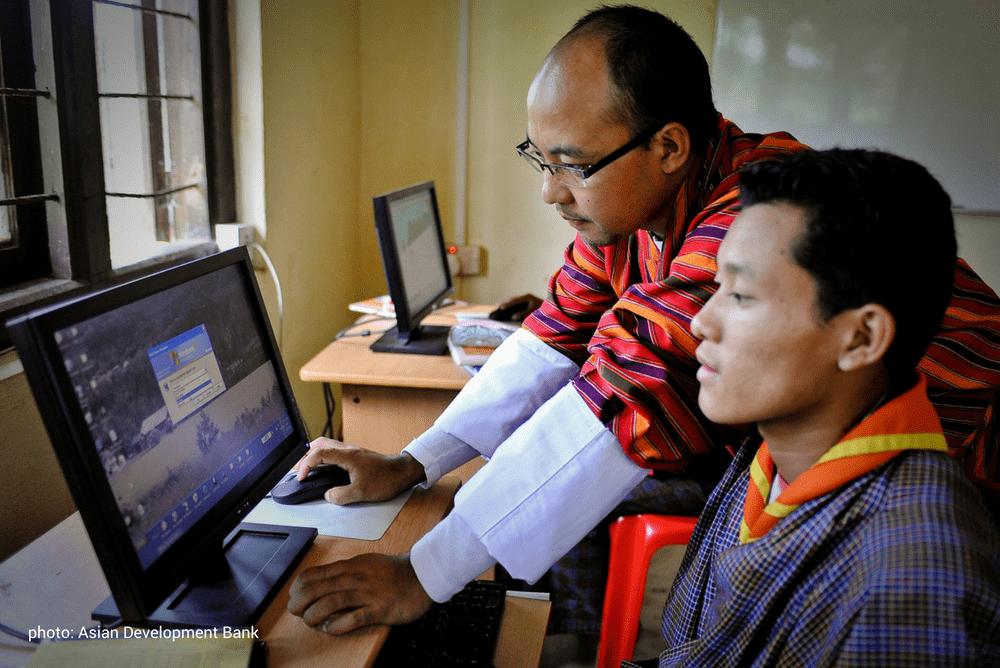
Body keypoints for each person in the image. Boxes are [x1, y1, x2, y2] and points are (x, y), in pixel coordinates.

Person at [287, 5, 1000, 642]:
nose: (548, 190)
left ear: (668, 147)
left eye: (571, 163)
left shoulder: (759, 220)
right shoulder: (633, 212)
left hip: (943, 471)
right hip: (794, 474)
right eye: (540, 157)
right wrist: (415, 461)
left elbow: (634, 390)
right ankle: (564, 638)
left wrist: (421, 575)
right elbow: (554, 335)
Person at [635, 148, 1000, 667]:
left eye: (741, 296)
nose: (701, 322)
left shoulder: (916, 579)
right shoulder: (773, 453)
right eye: (718, 286)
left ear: (860, 337)